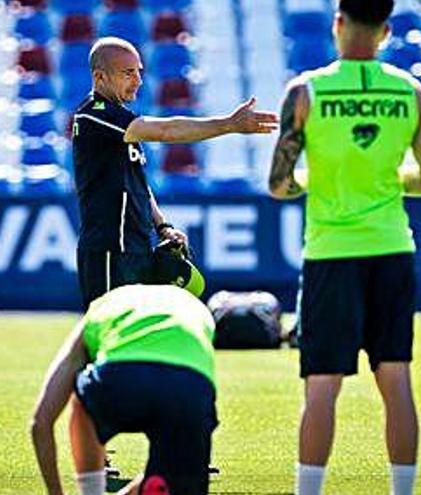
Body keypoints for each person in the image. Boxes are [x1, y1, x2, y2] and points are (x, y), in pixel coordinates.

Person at [268, 0, 421, 493]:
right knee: (397, 381)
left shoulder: (305, 91)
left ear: (337, 25)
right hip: (392, 249)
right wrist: (389, 180)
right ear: (387, 32)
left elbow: (279, 185)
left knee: (322, 388)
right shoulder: (410, 92)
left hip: (330, 253)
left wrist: (319, 180)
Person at [72, 36, 278, 310]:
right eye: (128, 73)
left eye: (139, 72)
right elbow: (165, 130)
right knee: (106, 335)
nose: (138, 80)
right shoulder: (94, 115)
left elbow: (138, 184)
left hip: (136, 246)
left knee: (136, 336)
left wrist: (162, 226)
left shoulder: (118, 119)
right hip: (110, 247)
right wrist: (228, 124)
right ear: (100, 77)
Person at [31, 284, 218, 495]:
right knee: (165, 480)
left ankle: (91, 493)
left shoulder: (103, 306)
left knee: (82, 401)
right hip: (190, 391)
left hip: (120, 379)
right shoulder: (195, 306)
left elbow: (40, 422)